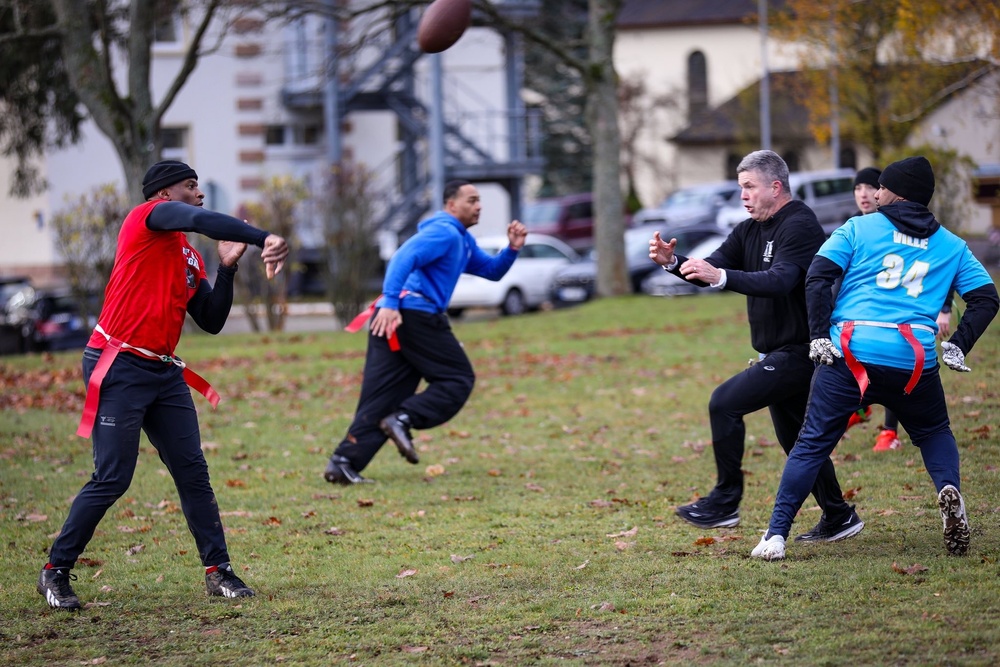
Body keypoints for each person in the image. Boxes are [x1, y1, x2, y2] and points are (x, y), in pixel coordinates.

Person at [37, 160, 289, 610]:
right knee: (113, 476)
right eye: (191, 186)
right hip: (118, 365)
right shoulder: (145, 219)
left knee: (193, 471)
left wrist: (228, 267)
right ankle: (55, 570)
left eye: (199, 186)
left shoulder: (189, 256)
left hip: (164, 372)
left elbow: (211, 320)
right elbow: (197, 220)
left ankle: (219, 572)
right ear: (163, 195)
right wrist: (263, 235)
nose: (200, 193)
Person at [752, 156, 999, 561]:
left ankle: (775, 535)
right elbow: (987, 297)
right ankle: (947, 490)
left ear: (896, 193)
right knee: (935, 432)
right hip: (913, 360)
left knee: (811, 444)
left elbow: (818, 277)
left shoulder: (858, 227)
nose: (874, 193)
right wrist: (959, 342)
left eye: (881, 186)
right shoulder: (953, 245)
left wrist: (817, 336)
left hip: (853, 353)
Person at [649, 149, 863, 542]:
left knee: (724, 402)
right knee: (797, 441)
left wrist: (722, 276)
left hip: (803, 351)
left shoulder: (800, 225)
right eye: (740, 187)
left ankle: (725, 502)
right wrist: (673, 261)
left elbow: (781, 280)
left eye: (749, 187)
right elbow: (709, 268)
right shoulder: (748, 229)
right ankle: (838, 515)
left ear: (776, 187)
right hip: (775, 353)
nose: (743, 196)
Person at [324, 180, 527, 485]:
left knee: (384, 395)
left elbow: (492, 271)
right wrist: (391, 302)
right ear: (451, 204)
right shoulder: (443, 231)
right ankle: (402, 420)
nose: (479, 205)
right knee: (458, 378)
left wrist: (511, 248)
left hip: (397, 316)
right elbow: (403, 258)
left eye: (479, 200)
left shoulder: (461, 239)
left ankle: (342, 463)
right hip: (410, 314)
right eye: (471, 200)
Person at [846, 167, 955, 452]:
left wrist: (944, 309)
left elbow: (943, 267)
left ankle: (890, 431)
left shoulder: (918, 226)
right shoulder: (856, 228)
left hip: (909, 321)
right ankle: (858, 410)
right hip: (864, 320)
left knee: (897, 364)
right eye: (858, 188)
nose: (866, 194)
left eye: (872, 187)